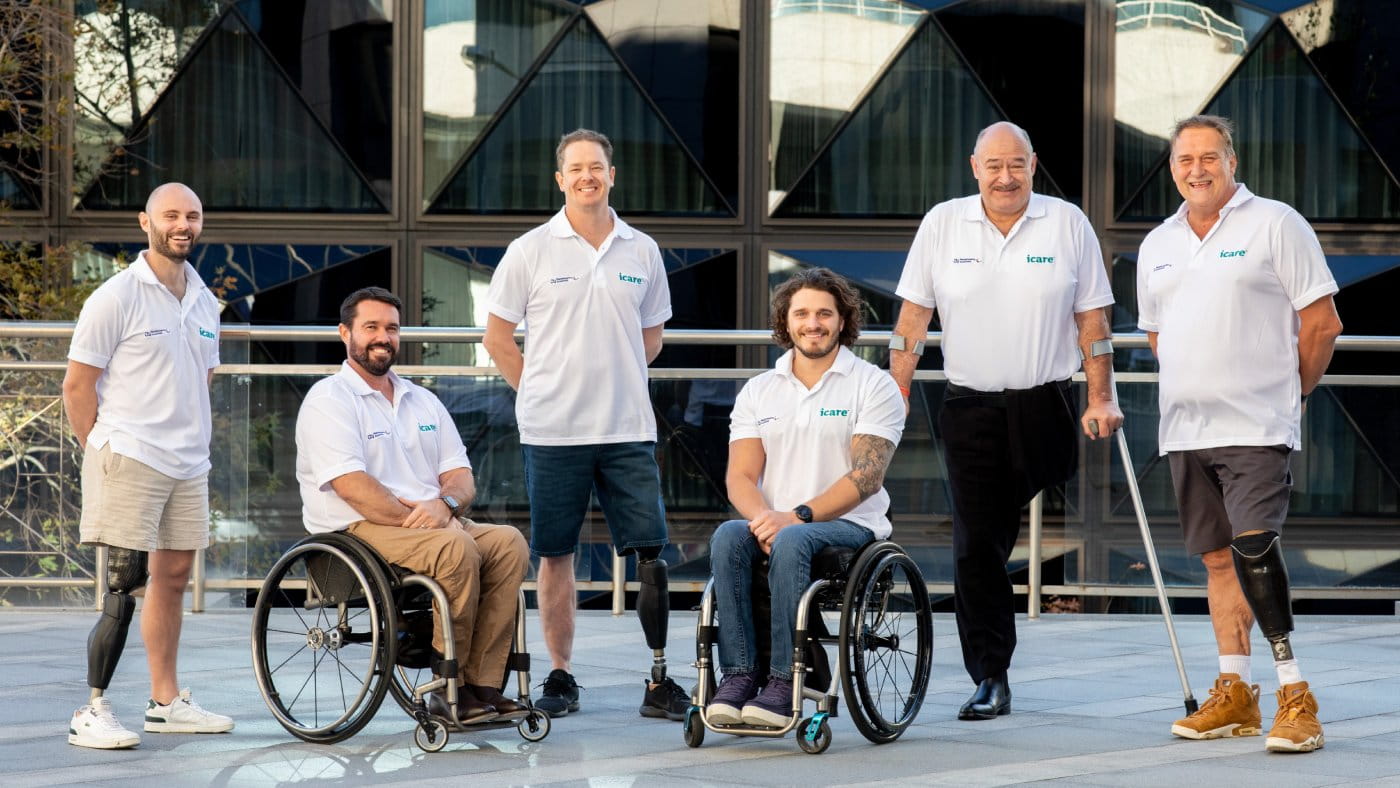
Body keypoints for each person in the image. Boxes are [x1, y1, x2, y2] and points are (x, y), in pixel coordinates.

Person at [889, 121, 1123, 720]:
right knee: (977, 544)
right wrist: (897, 390)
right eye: (993, 166)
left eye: (1015, 164)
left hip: (1045, 402)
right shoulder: (944, 222)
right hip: (970, 406)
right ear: (975, 168)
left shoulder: (1067, 222)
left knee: (995, 530)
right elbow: (914, 318)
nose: (1005, 176)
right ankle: (991, 673)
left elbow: (1092, 322)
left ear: (1033, 164)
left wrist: (1100, 398)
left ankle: (999, 633)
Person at [1137, 115, 1341, 753]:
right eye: (1183, 159)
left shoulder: (1276, 223)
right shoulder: (1158, 243)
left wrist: (1293, 392)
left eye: (1209, 157)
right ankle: (1236, 692)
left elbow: (1322, 323)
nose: (1195, 169)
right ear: (1172, 167)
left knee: (1254, 548)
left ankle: (1294, 694)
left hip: (1255, 422)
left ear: (1233, 159)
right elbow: (1157, 335)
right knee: (1218, 558)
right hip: (1186, 428)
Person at [481, 128, 687, 720]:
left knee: (650, 555)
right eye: (576, 169)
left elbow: (651, 337)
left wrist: (611, 372)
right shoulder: (530, 250)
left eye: (596, 166)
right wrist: (538, 388)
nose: (587, 176)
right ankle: (561, 676)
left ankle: (657, 679)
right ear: (560, 180)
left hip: (627, 427)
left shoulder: (641, 249)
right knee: (555, 554)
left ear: (612, 175)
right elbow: (496, 337)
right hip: (553, 432)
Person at [295, 287, 530, 725]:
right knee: (454, 548)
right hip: (357, 530)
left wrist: (445, 505)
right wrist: (432, 522)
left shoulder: (423, 400)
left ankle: (482, 685)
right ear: (344, 333)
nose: (383, 337)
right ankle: (448, 688)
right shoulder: (329, 400)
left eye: (391, 328)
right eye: (371, 327)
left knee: (509, 543)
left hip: (433, 521)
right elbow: (352, 486)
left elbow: (461, 478)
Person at [62, 182, 234, 749]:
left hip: (187, 464)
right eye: (171, 215)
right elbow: (78, 385)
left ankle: (165, 702)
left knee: (174, 579)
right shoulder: (116, 296)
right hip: (130, 456)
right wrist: (102, 449)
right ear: (145, 223)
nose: (182, 224)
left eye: (192, 215)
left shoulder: (206, 301)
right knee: (124, 584)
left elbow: (202, 379)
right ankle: (91, 710)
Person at [706, 268, 905, 726]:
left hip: (850, 525)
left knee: (795, 539)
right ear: (786, 321)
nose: (812, 323)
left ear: (842, 320)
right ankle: (737, 675)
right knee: (728, 536)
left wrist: (795, 518)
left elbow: (866, 477)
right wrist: (765, 521)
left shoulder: (872, 385)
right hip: (777, 523)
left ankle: (784, 680)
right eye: (802, 313)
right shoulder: (760, 390)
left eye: (823, 313)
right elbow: (740, 476)